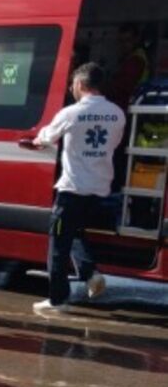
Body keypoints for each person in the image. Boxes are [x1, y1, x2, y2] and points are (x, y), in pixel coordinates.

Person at [28, 63, 124, 314]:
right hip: (100, 189)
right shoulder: (117, 113)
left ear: (80, 84)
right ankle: (90, 274)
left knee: (58, 243)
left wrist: (37, 141)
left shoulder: (71, 113)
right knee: (74, 231)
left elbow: (46, 137)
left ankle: (57, 300)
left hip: (73, 189)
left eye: (73, 85)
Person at [105, 23, 149, 111]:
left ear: (136, 40)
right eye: (121, 41)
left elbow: (122, 87)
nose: (124, 44)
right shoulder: (128, 58)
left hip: (129, 105)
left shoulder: (136, 60)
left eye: (128, 40)